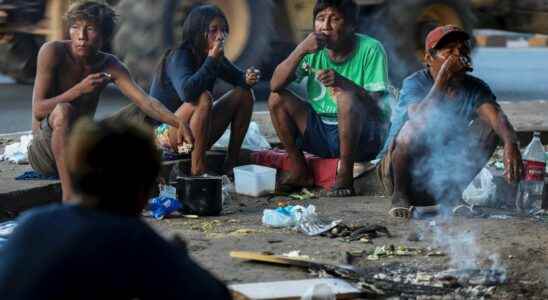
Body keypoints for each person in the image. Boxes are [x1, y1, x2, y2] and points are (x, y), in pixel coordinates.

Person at [0, 119, 231, 299]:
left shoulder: (33, 222)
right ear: (141, 193)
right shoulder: (128, 237)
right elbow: (214, 295)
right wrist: (176, 259)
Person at [28, 1, 192, 202]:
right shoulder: (52, 52)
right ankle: (69, 194)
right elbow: (38, 110)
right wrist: (78, 90)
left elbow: (146, 102)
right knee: (63, 109)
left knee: (138, 111)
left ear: (104, 35)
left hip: (81, 145)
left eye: (90, 29)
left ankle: (143, 171)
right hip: (45, 151)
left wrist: (178, 122)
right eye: (75, 27)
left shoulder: (108, 64)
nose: (81, 36)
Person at [377, 25, 523, 218]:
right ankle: (400, 196)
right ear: (429, 59)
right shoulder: (415, 82)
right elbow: (419, 118)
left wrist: (510, 143)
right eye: (449, 51)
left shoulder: (475, 87)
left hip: (441, 176)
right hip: (400, 174)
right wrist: (442, 79)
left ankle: (452, 195)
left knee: (489, 128)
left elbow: (495, 116)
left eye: (462, 51)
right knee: (413, 126)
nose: (458, 55)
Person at [268, 0, 391, 196]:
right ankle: (299, 170)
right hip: (323, 134)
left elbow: (377, 107)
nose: (325, 26)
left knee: (346, 98)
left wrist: (343, 83)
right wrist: (301, 49)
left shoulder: (371, 49)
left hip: (363, 138)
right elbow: (275, 85)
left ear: (351, 25)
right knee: (277, 99)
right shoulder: (311, 50)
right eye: (320, 19)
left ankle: (345, 175)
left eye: (335, 19)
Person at [149, 4, 260, 176]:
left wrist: (249, 77)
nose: (220, 36)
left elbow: (239, 79)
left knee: (244, 95)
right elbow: (188, 93)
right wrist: (210, 61)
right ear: (197, 32)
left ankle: (231, 163)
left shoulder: (214, 57)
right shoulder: (180, 56)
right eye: (213, 30)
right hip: (166, 138)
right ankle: (198, 170)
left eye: (223, 30)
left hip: (194, 139)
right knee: (203, 98)